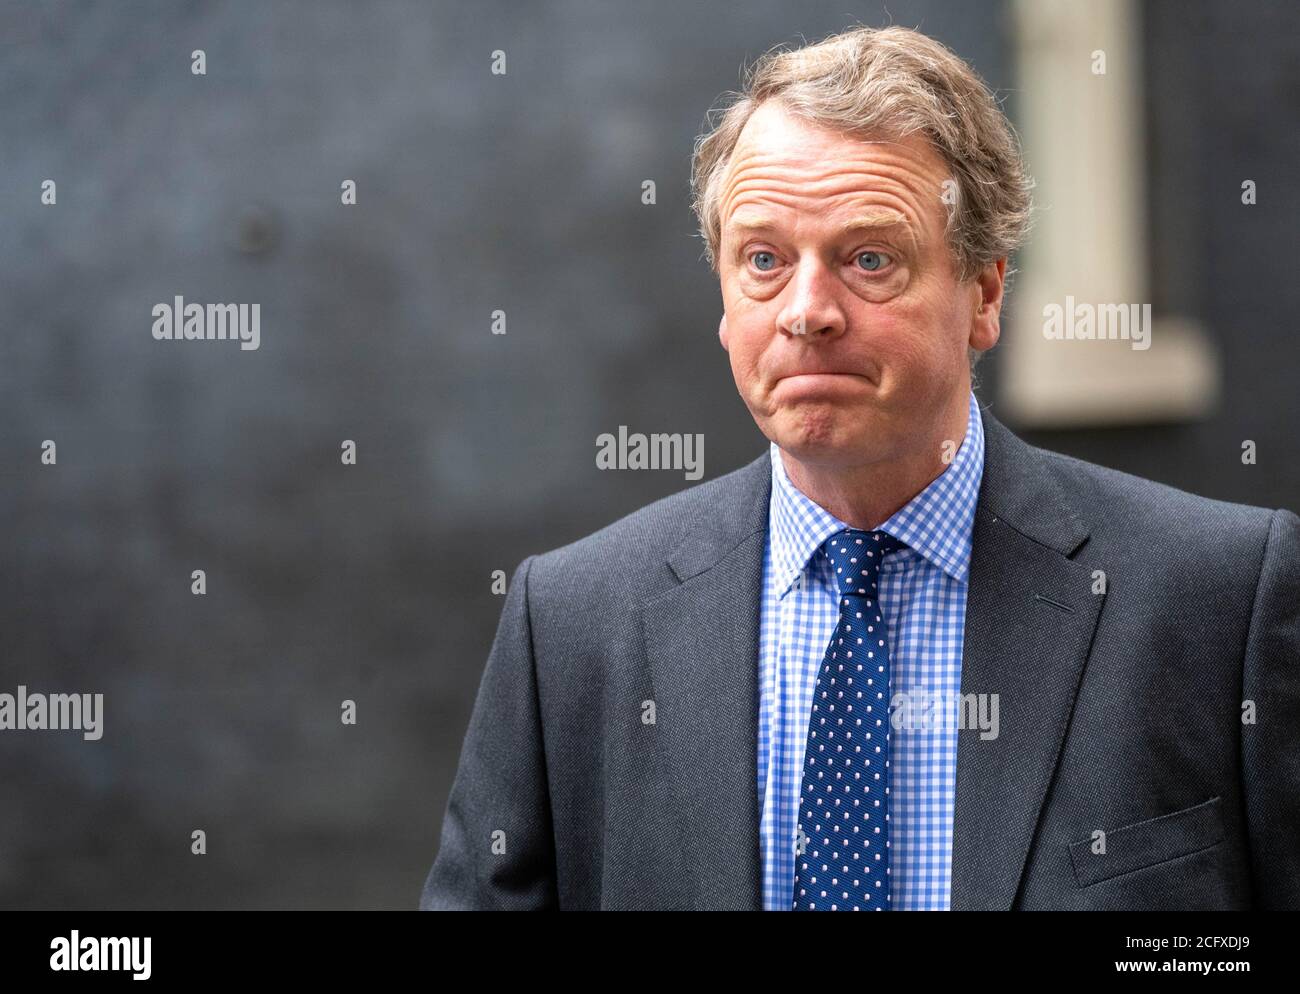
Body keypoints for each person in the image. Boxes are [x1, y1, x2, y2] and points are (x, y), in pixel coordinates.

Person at [419, 25, 1299, 910]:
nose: (807, 313)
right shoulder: (571, 624)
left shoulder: (1216, 599)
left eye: (868, 258)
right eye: (763, 260)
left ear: (985, 293)